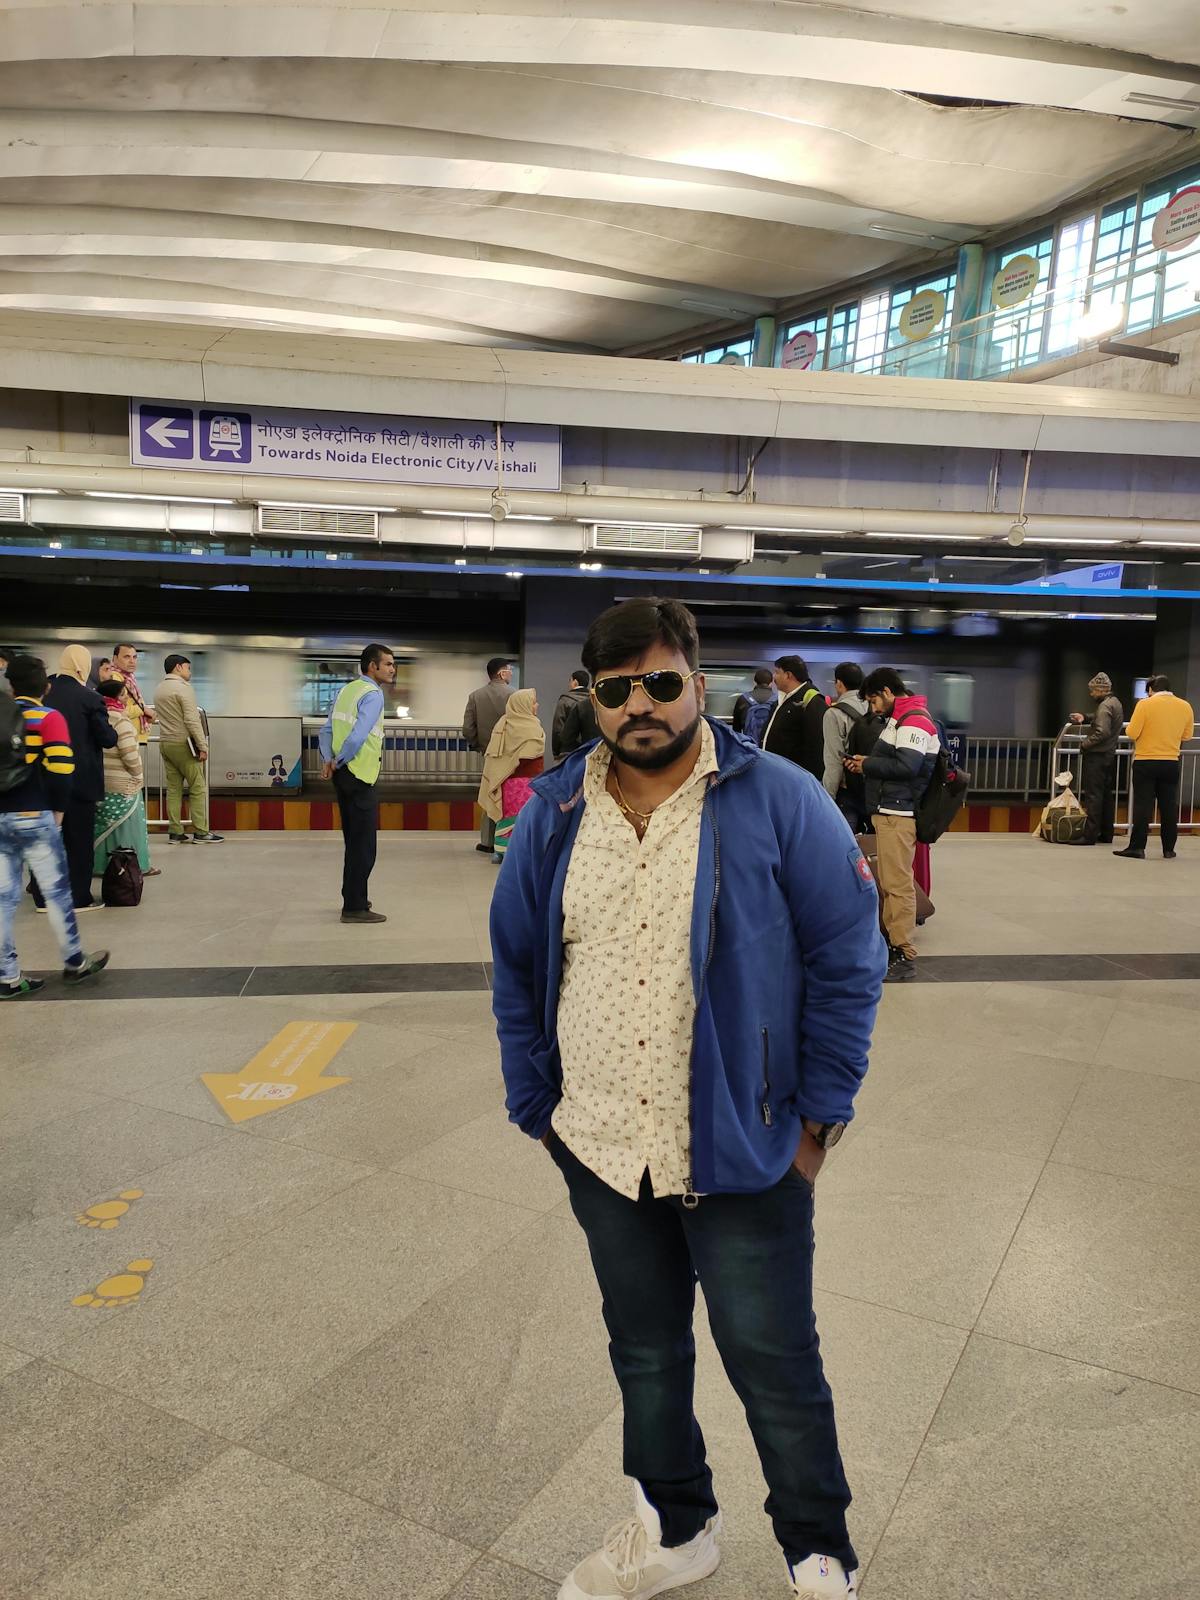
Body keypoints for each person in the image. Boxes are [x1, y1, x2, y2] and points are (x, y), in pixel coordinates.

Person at [491, 597, 886, 1600]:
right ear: (593, 696)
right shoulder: (556, 813)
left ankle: (817, 1547)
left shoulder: (781, 798)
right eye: (619, 689)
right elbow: (517, 960)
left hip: (746, 1147)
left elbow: (850, 955)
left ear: (698, 686)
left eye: (662, 683)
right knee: (646, 1350)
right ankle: (675, 1527)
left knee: (773, 1361)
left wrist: (818, 1120)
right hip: (601, 1143)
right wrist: (538, 1103)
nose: (642, 707)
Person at [1, 655, 109, 998]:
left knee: (4, 898)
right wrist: (59, 811)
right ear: (45, 687)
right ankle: (75, 962)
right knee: (58, 893)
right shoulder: (48, 718)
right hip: (35, 815)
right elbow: (62, 770)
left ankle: (7, 976)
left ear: (11, 685)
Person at [845, 667, 939, 984]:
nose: (873, 709)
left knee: (897, 885)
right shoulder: (899, 719)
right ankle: (890, 946)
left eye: (873, 701)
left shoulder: (915, 720)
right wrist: (865, 763)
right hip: (888, 811)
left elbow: (908, 766)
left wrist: (867, 764)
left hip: (899, 814)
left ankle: (904, 953)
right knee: (888, 882)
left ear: (887, 692)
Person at [318, 643, 396, 923]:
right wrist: (340, 760)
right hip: (360, 774)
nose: (392, 669)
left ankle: (352, 895)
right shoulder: (373, 694)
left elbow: (325, 730)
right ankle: (354, 907)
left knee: (353, 841)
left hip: (342, 776)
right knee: (364, 845)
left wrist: (328, 759)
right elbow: (357, 736)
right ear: (372, 666)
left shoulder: (345, 690)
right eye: (387, 664)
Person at [41, 645, 117, 911]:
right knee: (78, 842)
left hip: (45, 779)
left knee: (47, 841)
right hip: (80, 780)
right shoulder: (89, 697)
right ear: (82, 666)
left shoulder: (43, 693)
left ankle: (43, 898)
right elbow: (107, 739)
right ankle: (77, 898)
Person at [1114, 673, 1195, 860]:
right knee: (1168, 806)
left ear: (1151, 689)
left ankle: (1137, 848)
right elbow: (1187, 736)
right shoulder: (1185, 706)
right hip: (1170, 762)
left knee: (1143, 805)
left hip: (1146, 761)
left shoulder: (1145, 704)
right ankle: (1168, 849)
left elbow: (1133, 732)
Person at [93, 677, 159, 880]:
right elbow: (129, 754)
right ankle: (135, 866)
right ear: (117, 698)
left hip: (102, 781)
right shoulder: (121, 721)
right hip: (124, 783)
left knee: (103, 827)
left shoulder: (97, 718)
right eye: (124, 695)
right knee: (129, 829)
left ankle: (99, 865)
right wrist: (138, 775)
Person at [155, 654, 224, 844]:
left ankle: (175, 831)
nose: (190, 672)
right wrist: (203, 745)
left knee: (174, 789)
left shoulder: (159, 688)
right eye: (188, 668)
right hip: (184, 744)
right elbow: (192, 720)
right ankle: (201, 831)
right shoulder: (184, 689)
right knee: (198, 787)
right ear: (178, 667)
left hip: (165, 744)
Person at [479, 687, 545, 861]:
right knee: (524, 817)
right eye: (533, 702)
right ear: (524, 705)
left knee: (507, 816)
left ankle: (500, 850)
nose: (537, 705)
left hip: (506, 782)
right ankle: (518, 852)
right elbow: (534, 755)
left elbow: (497, 757)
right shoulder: (532, 726)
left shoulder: (503, 724)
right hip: (528, 783)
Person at [463, 657, 515, 853]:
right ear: (502, 673)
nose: (511, 673)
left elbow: (467, 729)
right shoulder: (514, 696)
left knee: (489, 794)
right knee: (508, 797)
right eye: (509, 670)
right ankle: (506, 840)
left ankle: (487, 841)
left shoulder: (475, 696)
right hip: (510, 756)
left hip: (488, 755)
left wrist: (481, 746)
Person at [1068, 672, 1123, 846]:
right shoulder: (1115, 703)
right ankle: (1107, 833)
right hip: (1108, 755)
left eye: (1092, 691)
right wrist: (1086, 717)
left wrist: (1085, 744)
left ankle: (1089, 835)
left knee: (1093, 796)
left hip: (1097, 756)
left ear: (1100, 690)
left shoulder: (1104, 706)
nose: (1091, 694)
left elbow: (1102, 731)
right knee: (1106, 796)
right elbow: (1103, 719)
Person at [822, 662, 870, 832]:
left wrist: (827, 797)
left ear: (839, 684)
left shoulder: (834, 713)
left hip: (847, 790)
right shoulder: (874, 707)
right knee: (873, 849)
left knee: (844, 845)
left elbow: (834, 759)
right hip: (872, 786)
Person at [762, 654, 827, 779]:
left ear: (788, 675)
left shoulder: (811, 701)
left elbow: (816, 745)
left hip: (794, 776)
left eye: (777, 672)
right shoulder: (782, 700)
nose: (773, 677)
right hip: (777, 772)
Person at [108, 643, 154, 743]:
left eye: (134, 657)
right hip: (124, 737)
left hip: (131, 735)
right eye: (126, 657)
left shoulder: (129, 678)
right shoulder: (115, 679)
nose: (132, 661)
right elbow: (118, 710)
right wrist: (142, 709)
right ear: (115, 658)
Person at [551, 669, 598, 760]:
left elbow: (558, 728)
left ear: (575, 682)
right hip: (590, 749)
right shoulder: (592, 701)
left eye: (570, 680)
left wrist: (556, 751)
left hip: (569, 752)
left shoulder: (565, 701)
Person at [731, 667, 778, 746]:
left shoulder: (743, 698)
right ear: (771, 682)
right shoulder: (778, 700)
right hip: (771, 749)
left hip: (750, 747)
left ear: (754, 682)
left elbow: (736, 728)